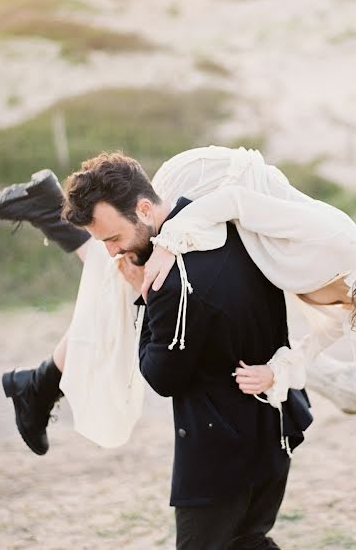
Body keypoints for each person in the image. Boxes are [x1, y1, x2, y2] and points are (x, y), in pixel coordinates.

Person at [0, 146, 356, 458]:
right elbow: (234, 201)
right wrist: (169, 241)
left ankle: (40, 377)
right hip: (220, 188)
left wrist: (276, 374)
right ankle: (40, 378)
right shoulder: (337, 238)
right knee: (129, 279)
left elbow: (309, 348)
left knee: (121, 284)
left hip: (235, 229)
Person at [59, 153, 312, 548]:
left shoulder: (170, 282)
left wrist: (139, 292)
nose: (111, 252)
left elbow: (162, 377)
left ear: (144, 209)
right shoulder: (227, 224)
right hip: (273, 432)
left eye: (112, 238)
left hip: (220, 455)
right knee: (249, 541)